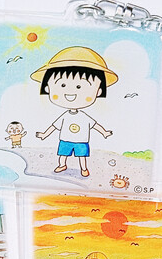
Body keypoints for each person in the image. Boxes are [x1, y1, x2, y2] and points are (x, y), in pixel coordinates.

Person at [31, 47, 117, 177]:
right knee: (62, 154)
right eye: (62, 85)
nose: (70, 92)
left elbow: (95, 125)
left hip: (81, 141)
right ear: (48, 88)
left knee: (82, 156)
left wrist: (104, 132)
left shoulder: (84, 117)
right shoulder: (64, 116)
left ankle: (84, 168)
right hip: (65, 140)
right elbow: (54, 126)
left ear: (98, 91)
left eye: (79, 87)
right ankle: (62, 165)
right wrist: (44, 134)